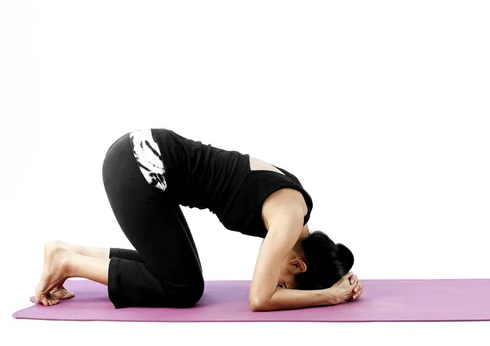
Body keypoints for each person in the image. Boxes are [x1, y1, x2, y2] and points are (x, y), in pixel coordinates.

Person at [33, 128, 364, 311]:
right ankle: (66, 264)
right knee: (183, 289)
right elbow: (260, 299)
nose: (279, 285)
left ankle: (63, 251)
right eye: (285, 284)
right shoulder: (288, 221)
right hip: (143, 167)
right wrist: (329, 295)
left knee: (179, 275)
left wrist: (336, 273)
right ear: (298, 266)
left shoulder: (296, 205)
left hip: (140, 157)